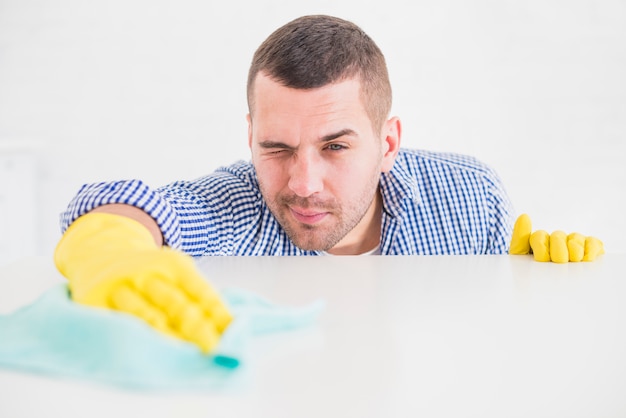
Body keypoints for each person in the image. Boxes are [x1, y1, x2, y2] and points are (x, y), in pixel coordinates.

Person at [54, 15, 515, 352]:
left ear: (388, 143)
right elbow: (143, 207)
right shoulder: (236, 208)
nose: (303, 184)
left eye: (335, 147)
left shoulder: (471, 198)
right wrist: (109, 244)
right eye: (277, 149)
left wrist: (548, 280)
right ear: (251, 137)